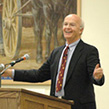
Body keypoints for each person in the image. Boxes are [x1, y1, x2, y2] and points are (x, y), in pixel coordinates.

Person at [2, 14, 104, 109]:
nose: (67, 27)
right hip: (55, 105)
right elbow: (39, 75)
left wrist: (97, 77)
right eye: (65, 24)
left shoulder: (89, 51)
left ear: (80, 30)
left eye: (72, 25)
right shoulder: (57, 52)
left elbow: (96, 77)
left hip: (79, 106)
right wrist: (10, 73)